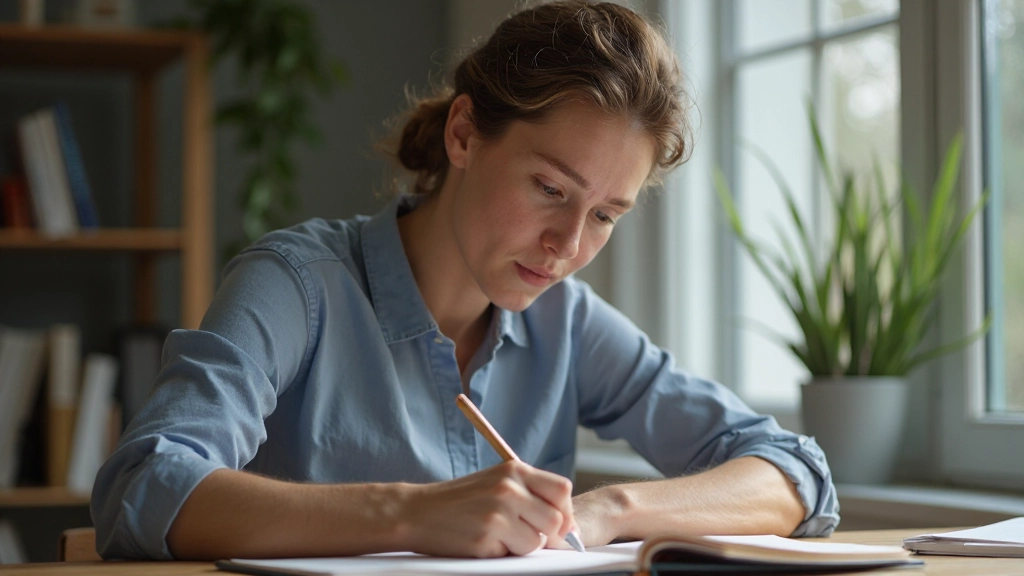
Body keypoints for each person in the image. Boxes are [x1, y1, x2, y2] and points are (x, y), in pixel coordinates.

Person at [92, 0, 839, 561]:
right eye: (550, 188)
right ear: (463, 135)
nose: (568, 245)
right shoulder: (297, 286)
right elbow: (147, 484)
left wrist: (609, 509)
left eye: (606, 215)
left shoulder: (567, 323)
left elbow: (794, 475)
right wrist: (409, 514)